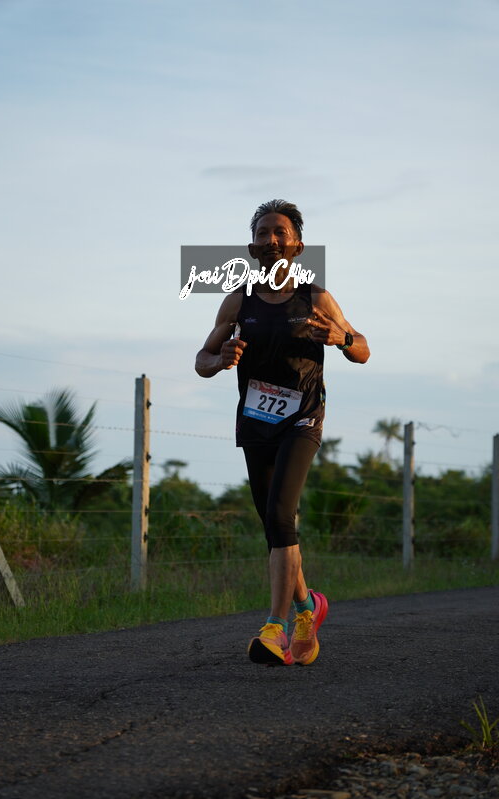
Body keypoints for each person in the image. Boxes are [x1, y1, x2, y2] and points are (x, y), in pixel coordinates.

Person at [195, 199, 370, 666]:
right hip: (255, 420)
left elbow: (363, 349)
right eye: (262, 233)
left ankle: (275, 628)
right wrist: (221, 359)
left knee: (280, 512)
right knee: (275, 525)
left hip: (303, 419)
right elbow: (201, 360)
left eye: (280, 232)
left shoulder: (317, 299)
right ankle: (308, 607)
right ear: (252, 247)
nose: (271, 239)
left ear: (297, 246)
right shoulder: (238, 302)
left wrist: (341, 339)